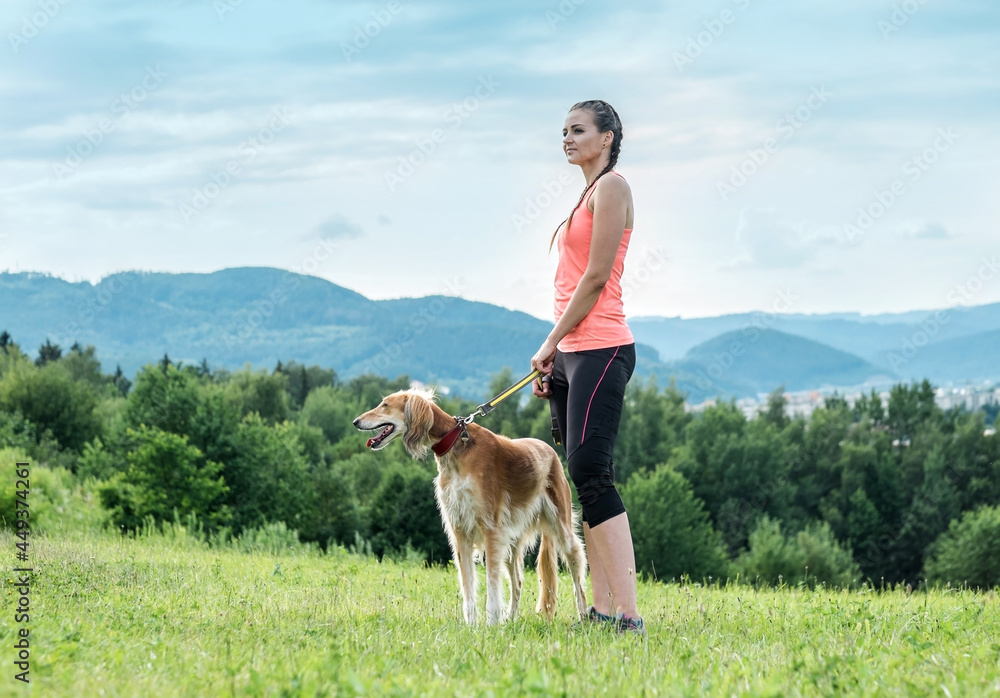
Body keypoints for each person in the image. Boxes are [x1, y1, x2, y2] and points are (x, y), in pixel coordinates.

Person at [530, 99, 644, 636]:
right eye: (563, 131)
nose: (567, 138)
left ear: (607, 137)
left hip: (601, 348)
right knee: (581, 476)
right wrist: (555, 353)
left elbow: (596, 277)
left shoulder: (612, 187)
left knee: (594, 474)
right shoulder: (584, 195)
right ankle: (600, 610)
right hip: (572, 354)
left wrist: (549, 341)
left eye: (578, 130)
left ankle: (628, 614)